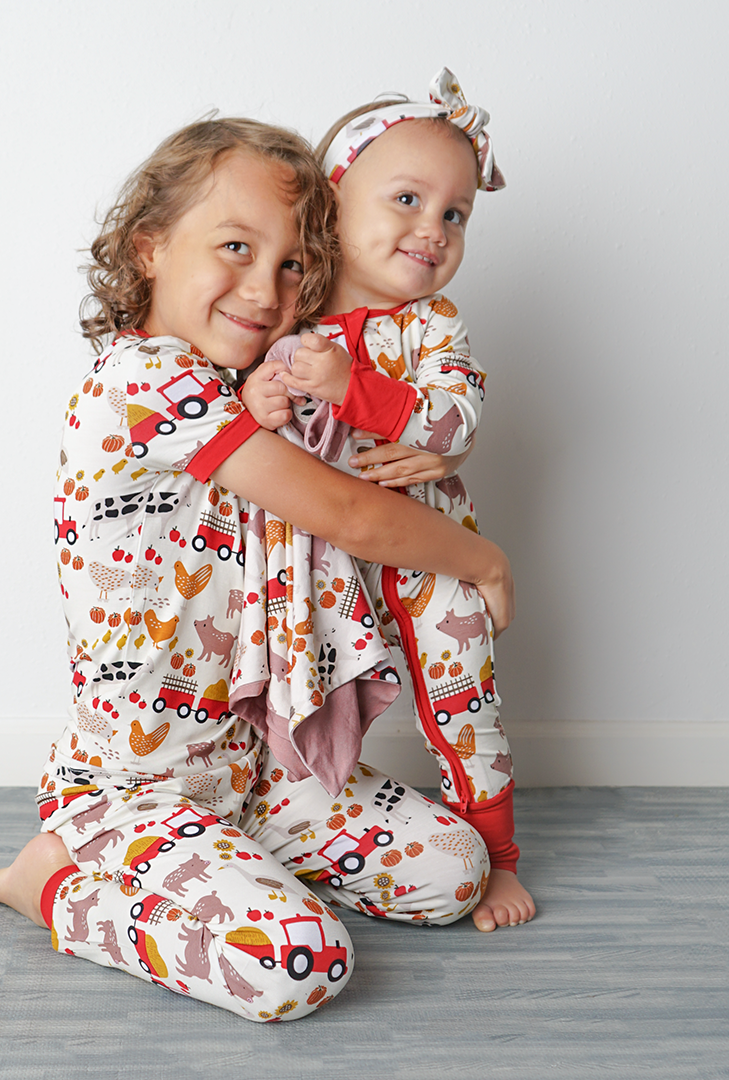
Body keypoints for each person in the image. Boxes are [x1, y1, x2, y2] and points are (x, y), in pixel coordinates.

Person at [0, 117, 516, 1023]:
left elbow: (366, 440)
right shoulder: (150, 382)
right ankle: (52, 884)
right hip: (134, 784)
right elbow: (346, 513)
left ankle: (234, 858)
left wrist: (414, 435)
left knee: (454, 871)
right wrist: (484, 560)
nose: (265, 288)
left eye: (293, 264)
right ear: (150, 247)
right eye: (235, 247)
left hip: (253, 772)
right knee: (300, 968)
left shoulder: (243, 382)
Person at [241, 69, 536, 933]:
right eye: (406, 198)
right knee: (319, 692)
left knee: (464, 700)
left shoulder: (434, 325)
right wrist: (268, 395)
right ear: (334, 203)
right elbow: (256, 417)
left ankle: (500, 857)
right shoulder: (287, 309)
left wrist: (359, 389)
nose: (431, 229)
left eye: (454, 214)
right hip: (318, 565)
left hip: (429, 551)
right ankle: (327, 833)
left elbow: (452, 421)